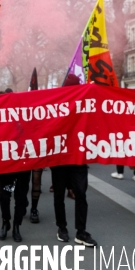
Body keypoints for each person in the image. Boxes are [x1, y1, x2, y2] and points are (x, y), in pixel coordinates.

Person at [50, 74, 97, 247]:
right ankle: (62, 227)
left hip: (77, 158)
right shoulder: (56, 103)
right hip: (60, 157)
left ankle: (80, 231)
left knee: (81, 193)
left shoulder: (84, 104)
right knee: (60, 194)